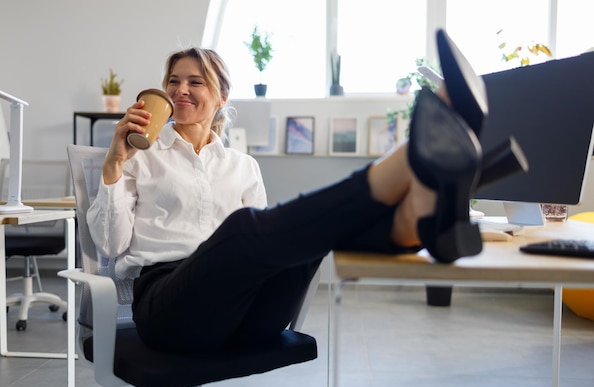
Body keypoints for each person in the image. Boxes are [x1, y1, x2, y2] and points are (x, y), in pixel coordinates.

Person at [87, 29, 526, 354]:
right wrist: (114, 162)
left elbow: (268, 246)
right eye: (173, 81)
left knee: (300, 243)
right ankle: (410, 174)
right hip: (168, 310)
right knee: (242, 233)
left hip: (247, 315)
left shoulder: (242, 166)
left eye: (194, 82)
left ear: (221, 96)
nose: (180, 90)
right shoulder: (138, 158)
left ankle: (410, 221)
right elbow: (109, 246)